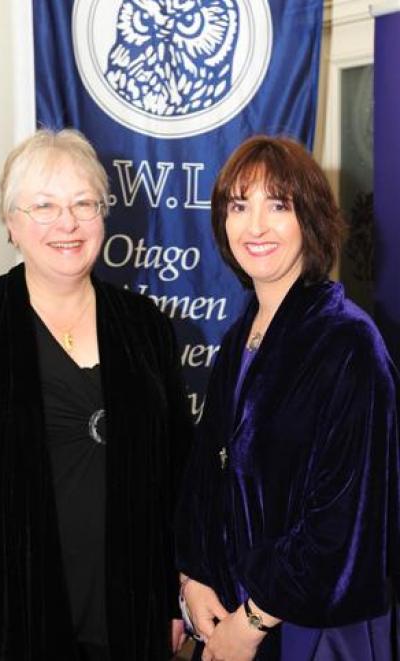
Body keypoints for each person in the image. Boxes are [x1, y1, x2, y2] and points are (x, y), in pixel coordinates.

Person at [0, 128, 192, 661]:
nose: (67, 223)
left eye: (84, 204)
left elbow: (177, 475)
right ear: (12, 223)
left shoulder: (146, 326)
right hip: (9, 626)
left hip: (135, 621)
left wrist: (176, 598)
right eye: (44, 206)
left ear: (104, 216)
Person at [175, 135, 400, 660]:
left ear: (312, 218)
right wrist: (194, 578)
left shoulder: (348, 344)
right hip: (232, 612)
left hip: (315, 631)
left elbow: (346, 520)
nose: (255, 226)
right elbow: (206, 476)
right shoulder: (239, 339)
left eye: (278, 205)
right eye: (239, 205)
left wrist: (250, 623)